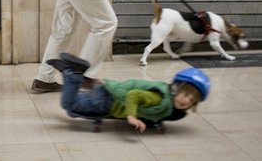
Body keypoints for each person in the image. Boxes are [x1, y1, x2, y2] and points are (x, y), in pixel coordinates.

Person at [48, 52, 211, 132]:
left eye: (191, 101)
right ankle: (73, 74)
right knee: (68, 105)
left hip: (106, 96)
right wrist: (132, 116)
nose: (186, 101)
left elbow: (152, 112)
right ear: (176, 88)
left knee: (73, 111)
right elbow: (133, 96)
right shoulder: (160, 99)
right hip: (107, 102)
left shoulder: (168, 101)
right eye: (186, 95)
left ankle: (71, 72)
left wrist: (153, 121)